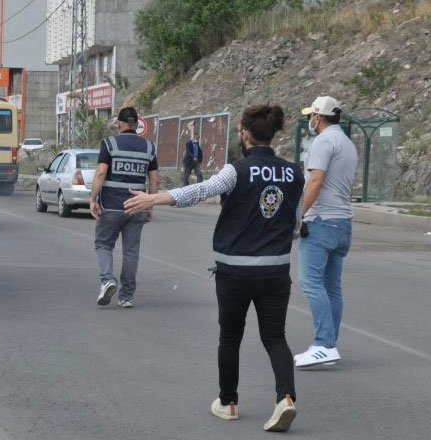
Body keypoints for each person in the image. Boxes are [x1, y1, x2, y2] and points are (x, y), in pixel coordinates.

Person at [124, 105, 303, 432]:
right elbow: (294, 222)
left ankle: (228, 402)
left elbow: (201, 190)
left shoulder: (237, 170)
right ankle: (286, 398)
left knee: (230, 337)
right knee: (275, 337)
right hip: (276, 271)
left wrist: (154, 198)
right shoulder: (295, 173)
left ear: (245, 134)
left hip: (235, 271)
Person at [294, 96, 357, 368]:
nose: (310, 120)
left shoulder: (323, 142)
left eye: (311, 115)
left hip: (321, 220)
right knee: (332, 287)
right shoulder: (347, 143)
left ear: (318, 117)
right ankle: (329, 345)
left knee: (310, 282)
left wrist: (297, 217)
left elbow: (316, 180)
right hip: (343, 222)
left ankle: (323, 344)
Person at [90, 107, 159, 309]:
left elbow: (101, 173)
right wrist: (151, 205)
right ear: (136, 125)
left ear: (119, 125)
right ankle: (126, 296)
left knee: (103, 244)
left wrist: (93, 198)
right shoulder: (149, 147)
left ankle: (107, 280)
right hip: (137, 207)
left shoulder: (109, 143)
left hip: (111, 206)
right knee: (131, 252)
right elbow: (154, 177)